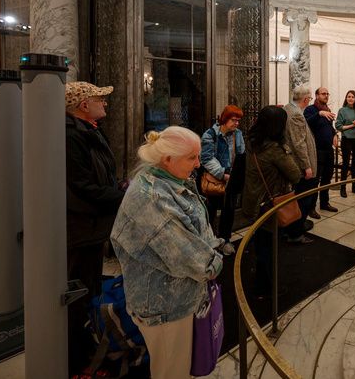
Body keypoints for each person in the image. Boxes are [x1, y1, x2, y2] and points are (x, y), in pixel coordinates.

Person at [111, 127, 223, 379]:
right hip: (165, 305)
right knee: (171, 371)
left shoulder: (166, 180)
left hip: (174, 297)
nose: (197, 164)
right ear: (167, 159)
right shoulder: (152, 197)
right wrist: (215, 263)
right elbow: (186, 254)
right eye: (191, 158)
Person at [64, 81, 126, 376]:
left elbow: (100, 176)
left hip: (94, 225)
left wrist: (120, 186)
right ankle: (75, 361)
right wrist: (122, 196)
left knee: (89, 289)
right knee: (77, 293)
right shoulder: (70, 136)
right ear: (83, 104)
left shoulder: (89, 131)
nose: (105, 103)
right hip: (81, 227)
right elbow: (81, 186)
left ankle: (87, 349)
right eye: (100, 98)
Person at [241, 106, 303, 294]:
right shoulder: (275, 149)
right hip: (269, 204)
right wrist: (286, 148)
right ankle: (265, 285)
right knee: (267, 246)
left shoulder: (252, 142)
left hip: (254, 199)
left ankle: (261, 278)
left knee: (260, 242)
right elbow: (295, 175)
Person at [199, 104, 245, 256]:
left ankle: (225, 239)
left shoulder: (237, 134)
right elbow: (206, 158)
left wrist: (237, 173)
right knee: (210, 211)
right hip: (215, 179)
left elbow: (241, 154)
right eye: (234, 120)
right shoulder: (210, 135)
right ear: (225, 119)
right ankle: (209, 242)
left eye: (238, 120)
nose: (236, 123)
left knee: (229, 211)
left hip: (231, 179)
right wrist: (222, 173)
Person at [283, 86, 318, 241]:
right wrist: (307, 166)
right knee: (304, 199)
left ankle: (293, 227)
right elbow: (299, 143)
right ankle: (296, 232)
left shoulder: (287, 108)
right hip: (301, 165)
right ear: (305, 99)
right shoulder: (297, 114)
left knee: (297, 197)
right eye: (310, 98)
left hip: (293, 163)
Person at [304, 87, 338, 213]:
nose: (326, 96)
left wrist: (334, 134)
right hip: (317, 150)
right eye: (323, 94)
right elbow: (306, 123)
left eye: (327, 94)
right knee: (315, 180)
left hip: (328, 150)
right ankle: (311, 207)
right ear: (317, 95)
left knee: (327, 179)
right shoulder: (310, 109)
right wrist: (319, 114)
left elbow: (329, 127)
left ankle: (324, 203)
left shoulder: (327, 110)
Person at [335, 90, 355, 198]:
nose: (351, 98)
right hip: (346, 139)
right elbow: (338, 126)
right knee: (345, 164)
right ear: (346, 98)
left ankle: (354, 187)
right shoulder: (342, 110)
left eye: (353, 97)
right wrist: (352, 126)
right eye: (349, 96)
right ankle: (342, 188)